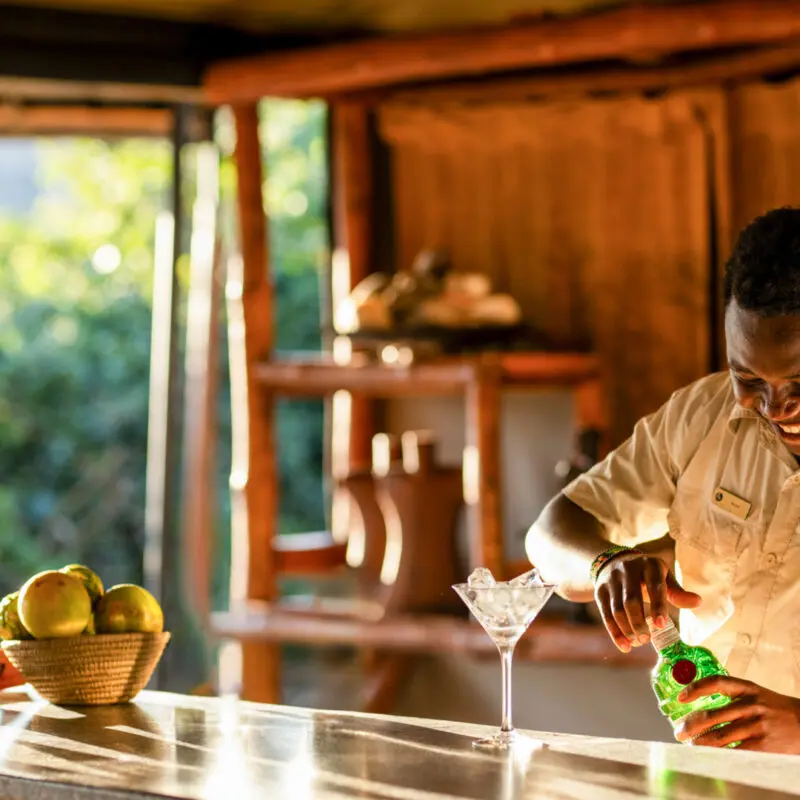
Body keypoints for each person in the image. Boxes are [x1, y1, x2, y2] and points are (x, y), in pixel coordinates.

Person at [526, 207, 800, 754]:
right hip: (712, 777)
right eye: (748, 377)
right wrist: (606, 565)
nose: (775, 407)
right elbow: (549, 534)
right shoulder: (700, 416)